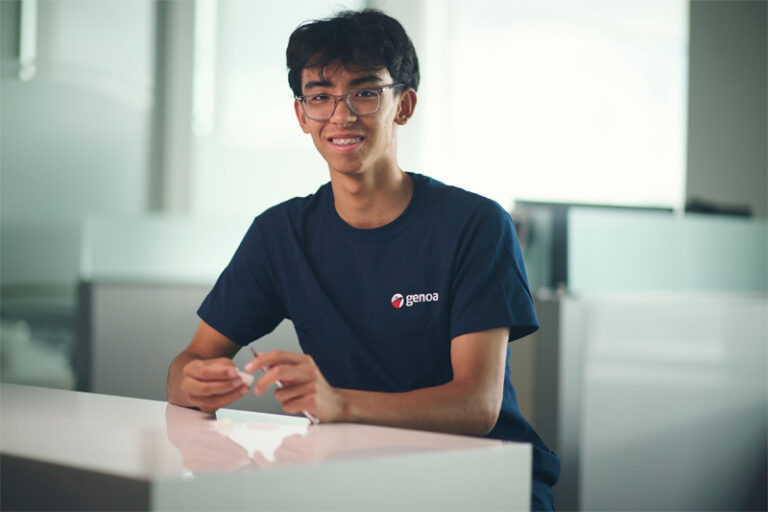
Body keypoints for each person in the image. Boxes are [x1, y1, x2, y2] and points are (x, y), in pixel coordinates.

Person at [166, 8, 560, 510]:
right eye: (321, 96)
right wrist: (196, 382)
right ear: (301, 114)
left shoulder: (475, 226)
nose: (342, 114)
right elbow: (188, 363)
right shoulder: (281, 233)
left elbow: (477, 405)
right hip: (348, 476)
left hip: (481, 481)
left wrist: (338, 404)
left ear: (404, 104)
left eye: (365, 92)